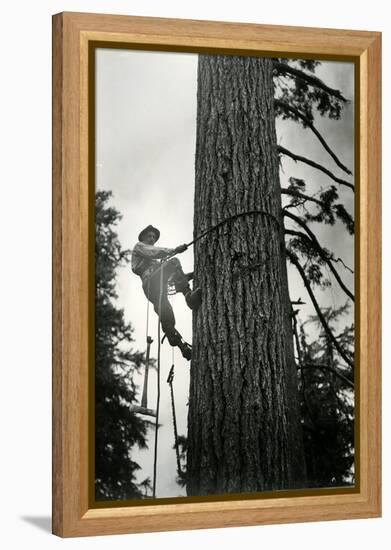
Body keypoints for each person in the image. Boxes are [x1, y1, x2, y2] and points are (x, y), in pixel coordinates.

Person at [131, 225, 201, 360]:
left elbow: (174, 278)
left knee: (167, 316)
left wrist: (190, 275)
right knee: (174, 262)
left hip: (156, 287)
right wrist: (174, 250)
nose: (152, 239)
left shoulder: (154, 262)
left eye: (154, 237)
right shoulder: (139, 247)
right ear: (143, 237)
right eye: (149, 236)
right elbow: (154, 252)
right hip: (150, 282)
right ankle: (189, 298)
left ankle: (182, 347)